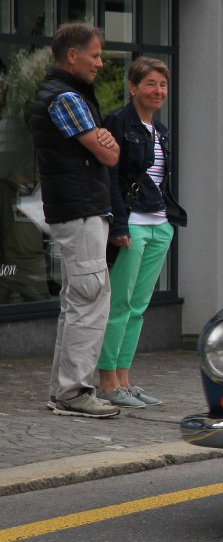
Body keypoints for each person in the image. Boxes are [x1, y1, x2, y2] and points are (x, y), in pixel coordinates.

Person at [33, 24, 121, 418]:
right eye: (95, 55)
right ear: (73, 55)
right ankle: (73, 392)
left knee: (78, 302)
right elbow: (109, 155)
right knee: (89, 300)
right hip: (81, 211)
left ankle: (64, 391)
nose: (100, 63)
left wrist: (105, 142)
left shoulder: (64, 93)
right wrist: (105, 142)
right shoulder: (67, 98)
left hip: (77, 209)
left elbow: (108, 150)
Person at [96, 57, 187, 409]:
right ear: (133, 87)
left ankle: (125, 380)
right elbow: (111, 178)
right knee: (120, 305)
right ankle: (107, 382)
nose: (158, 91)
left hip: (160, 225)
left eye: (162, 85)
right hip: (131, 224)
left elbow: (161, 180)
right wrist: (118, 225)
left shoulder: (159, 130)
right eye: (150, 83)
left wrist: (168, 222)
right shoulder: (118, 122)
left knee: (138, 308)